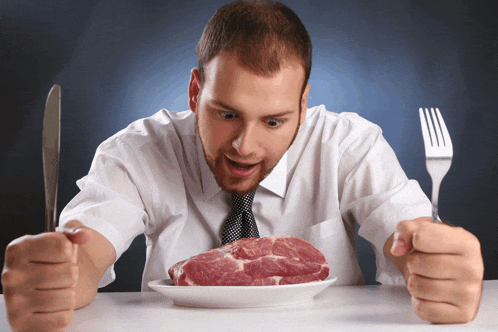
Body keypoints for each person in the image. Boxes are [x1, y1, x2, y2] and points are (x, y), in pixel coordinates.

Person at [2, 1, 484, 331]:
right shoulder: (139, 151)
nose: (245, 147)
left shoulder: (347, 144)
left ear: (304, 102)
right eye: (226, 113)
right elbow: (83, 255)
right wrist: (55, 276)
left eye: (274, 120)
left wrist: (437, 264)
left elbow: (412, 237)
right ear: (196, 93)